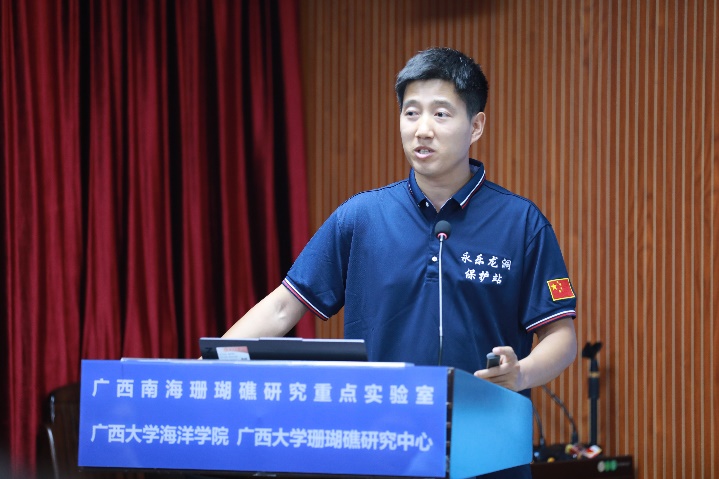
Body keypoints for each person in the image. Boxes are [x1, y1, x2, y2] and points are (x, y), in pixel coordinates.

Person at [223, 47, 577, 478]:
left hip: (488, 449)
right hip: (381, 448)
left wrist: (520, 374)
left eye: (441, 114)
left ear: (476, 126)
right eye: (411, 113)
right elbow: (283, 306)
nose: (422, 129)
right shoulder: (362, 217)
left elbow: (561, 336)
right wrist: (208, 367)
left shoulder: (521, 222)